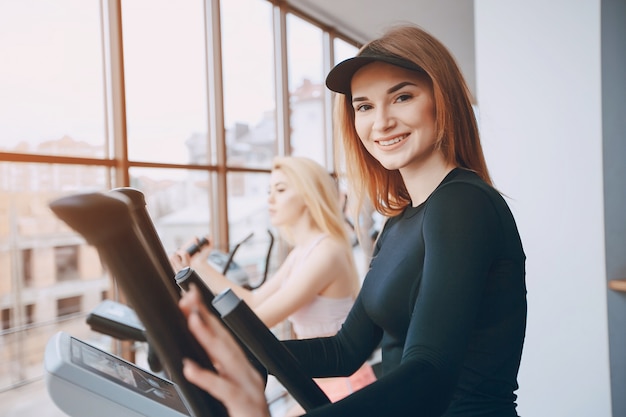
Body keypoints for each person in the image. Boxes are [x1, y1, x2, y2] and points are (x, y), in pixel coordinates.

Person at [179, 23, 527, 417]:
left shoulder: (464, 203)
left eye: (402, 97)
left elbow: (429, 372)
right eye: (364, 106)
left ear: (441, 99)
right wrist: (244, 353)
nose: (381, 122)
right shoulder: (399, 223)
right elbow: (343, 350)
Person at [172, 156, 376, 411]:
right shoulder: (302, 251)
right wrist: (201, 266)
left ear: (308, 194)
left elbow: (257, 322)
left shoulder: (327, 252)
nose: (270, 199)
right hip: (318, 382)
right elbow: (255, 300)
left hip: (344, 386)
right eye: (269, 191)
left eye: (280, 190)